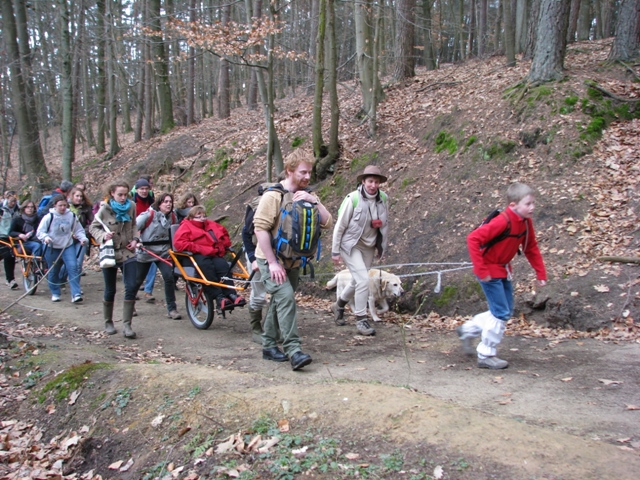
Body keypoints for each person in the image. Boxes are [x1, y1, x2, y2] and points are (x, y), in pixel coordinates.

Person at [253, 149, 332, 371]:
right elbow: (260, 229)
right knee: (286, 297)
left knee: (281, 301)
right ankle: (293, 350)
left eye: (310, 172)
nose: (308, 177)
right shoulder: (273, 196)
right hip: (270, 259)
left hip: (294, 261)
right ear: (289, 171)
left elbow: (328, 222)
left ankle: (268, 345)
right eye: (303, 172)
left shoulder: (308, 195)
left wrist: (314, 201)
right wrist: (272, 263)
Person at [457, 182, 547, 369]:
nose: (532, 207)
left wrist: (540, 273)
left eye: (533, 203)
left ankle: (467, 330)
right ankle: (486, 355)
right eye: (528, 204)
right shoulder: (502, 221)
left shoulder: (526, 223)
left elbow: (530, 248)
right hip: (489, 271)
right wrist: (482, 271)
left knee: (502, 311)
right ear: (513, 205)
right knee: (501, 313)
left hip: (503, 270)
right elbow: (473, 238)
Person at [331, 165, 390, 337]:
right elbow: (340, 226)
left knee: (358, 281)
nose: (373, 185)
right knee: (364, 279)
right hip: (350, 245)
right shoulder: (353, 199)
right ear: (363, 182)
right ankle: (361, 319)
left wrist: (382, 247)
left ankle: (339, 305)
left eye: (376, 182)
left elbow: (385, 225)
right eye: (370, 181)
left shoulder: (384, 199)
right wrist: (335, 251)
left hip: (369, 246)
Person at [90, 181, 140, 338]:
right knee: (110, 288)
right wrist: (103, 236)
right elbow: (93, 227)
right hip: (110, 253)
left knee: (131, 286)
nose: (123, 198)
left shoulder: (131, 206)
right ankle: (108, 321)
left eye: (125, 194)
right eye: (120, 194)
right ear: (112, 193)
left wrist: (135, 240)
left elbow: (134, 225)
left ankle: (127, 325)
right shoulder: (104, 209)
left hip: (128, 252)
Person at [173, 205, 246, 310]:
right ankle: (218, 296)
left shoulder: (211, 225)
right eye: (199, 216)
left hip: (213, 253)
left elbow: (224, 235)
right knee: (207, 267)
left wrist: (222, 246)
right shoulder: (186, 226)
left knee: (223, 266)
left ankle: (231, 294)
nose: (202, 218)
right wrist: (199, 248)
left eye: (204, 216)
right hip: (195, 255)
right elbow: (179, 243)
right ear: (191, 217)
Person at [135, 193, 182, 319]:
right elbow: (134, 228)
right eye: (165, 202)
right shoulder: (147, 215)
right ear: (159, 204)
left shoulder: (172, 217)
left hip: (164, 252)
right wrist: (136, 241)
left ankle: (172, 309)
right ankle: (130, 304)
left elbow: (174, 234)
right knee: (138, 280)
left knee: (169, 278)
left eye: (170, 202)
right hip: (146, 251)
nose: (168, 204)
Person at [36, 195, 88, 303]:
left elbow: (78, 230)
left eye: (65, 205)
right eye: (60, 205)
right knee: (54, 270)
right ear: (55, 205)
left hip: (67, 245)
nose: (63, 208)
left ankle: (76, 293)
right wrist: (46, 238)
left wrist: (82, 238)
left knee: (73, 267)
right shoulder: (49, 217)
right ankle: (55, 292)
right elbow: (40, 232)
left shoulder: (71, 216)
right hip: (52, 247)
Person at [132, 177, 157, 303]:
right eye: (141, 189)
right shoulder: (131, 203)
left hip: (149, 235)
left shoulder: (151, 201)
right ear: (136, 190)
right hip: (135, 235)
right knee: (138, 265)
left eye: (146, 189)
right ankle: (133, 291)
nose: (144, 191)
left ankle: (148, 291)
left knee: (152, 262)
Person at [65, 187, 94, 276]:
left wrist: (83, 232)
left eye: (81, 196)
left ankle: (75, 287)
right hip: (67, 238)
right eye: (77, 196)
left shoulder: (86, 207)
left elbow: (93, 222)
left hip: (82, 238)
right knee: (67, 263)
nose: (79, 198)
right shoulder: (65, 207)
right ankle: (61, 279)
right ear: (72, 196)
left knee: (78, 263)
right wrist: (71, 233)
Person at [1, 199, 18, 290]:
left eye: (14, 201)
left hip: (13, 237)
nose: (13, 203)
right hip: (2, 236)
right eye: (11, 201)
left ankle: (10, 280)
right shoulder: (2, 211)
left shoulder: (18, 211)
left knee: (10, 255)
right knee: (7, 254)